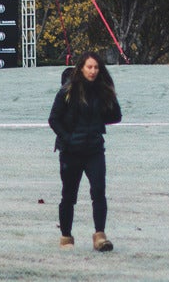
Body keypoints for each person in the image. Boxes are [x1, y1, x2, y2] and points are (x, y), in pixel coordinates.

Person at [49, 51, 123, 250]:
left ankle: (100, 236)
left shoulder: (102, 90)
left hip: (94, 150)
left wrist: (109, 94)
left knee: (99, 192)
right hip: (71, 152)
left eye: (96, 68)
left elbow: (116, 116)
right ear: (81, 68)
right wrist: (68, 138)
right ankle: (66, 237)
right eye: (89, 67)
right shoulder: (67, 91)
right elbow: (53, 119)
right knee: (69, 196)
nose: (93, 71)